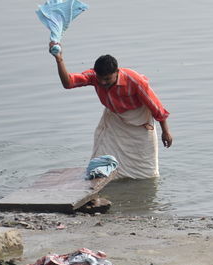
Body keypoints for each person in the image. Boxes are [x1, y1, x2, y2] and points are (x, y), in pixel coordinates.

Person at [52, 46, 172, 179]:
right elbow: (68, 83)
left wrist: (165, 132)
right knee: (102, 160)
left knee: (145, 171)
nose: (103, 83)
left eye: (108, 79)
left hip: (140, 121)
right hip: (115, 120)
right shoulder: (94, 76)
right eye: (100, 79)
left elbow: (156, 107)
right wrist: (59, 60)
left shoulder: (135, 81)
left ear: (117, 72)